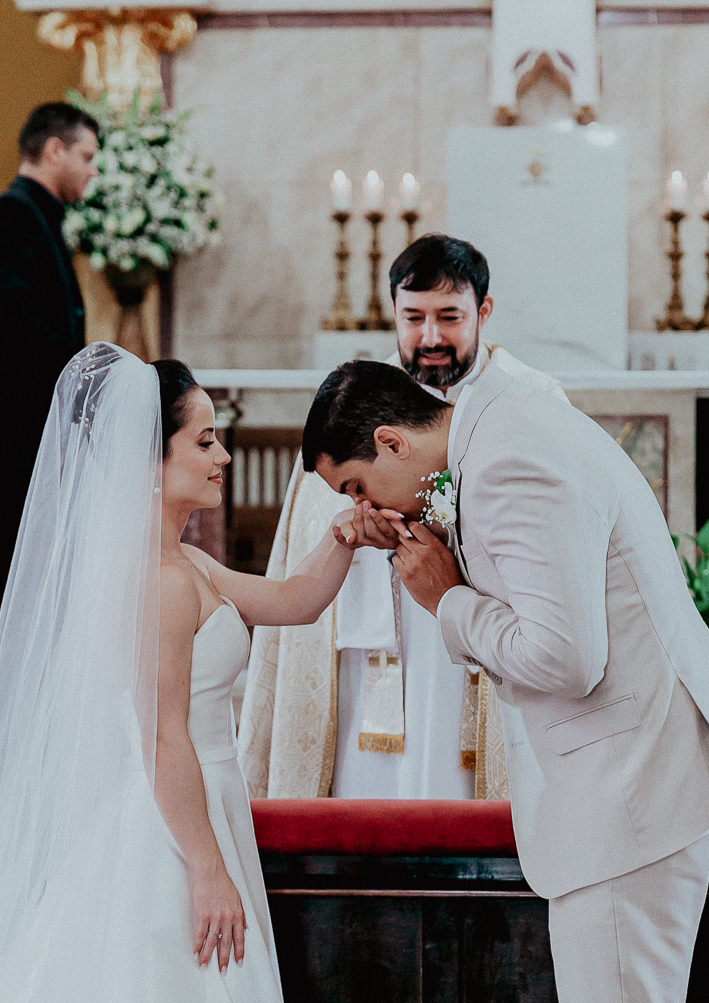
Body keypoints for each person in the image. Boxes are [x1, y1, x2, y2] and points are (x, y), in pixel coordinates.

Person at [301, 357, 709, 1003]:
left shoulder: (508, 459)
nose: (361, 509)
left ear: (388, 440)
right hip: (636, 777)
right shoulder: (500, 428)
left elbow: (565, 656)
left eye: (355, 484)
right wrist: (444, 553)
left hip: (632, 790)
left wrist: (446, 600)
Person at [0, 342, 394, 1003]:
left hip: (206, 809)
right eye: (203, 442)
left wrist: (345, 536)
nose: (224, 456)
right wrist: (206, 870)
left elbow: (291, 602)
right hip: (177, 826)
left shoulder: (188, 564)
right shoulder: (161, 587)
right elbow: (162, 739)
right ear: (150, 458)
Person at [240, 233, 567, 799]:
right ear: (393, 311)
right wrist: (351, 525)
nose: (431, 337)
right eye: (413, 317)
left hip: (476, 635)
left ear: (482, 312)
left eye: (449, 317)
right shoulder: (351, 404)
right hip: (366, 649)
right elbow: (317, 511)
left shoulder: (529, 401)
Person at [0, 101, 98, 685]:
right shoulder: (11, 215)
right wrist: (80, 370)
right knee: (3, 564)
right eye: (86, 156)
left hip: (32, 430)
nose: (91, 171)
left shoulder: (38, 215)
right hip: (11, 435)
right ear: (54, 151)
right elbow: (3, 318)